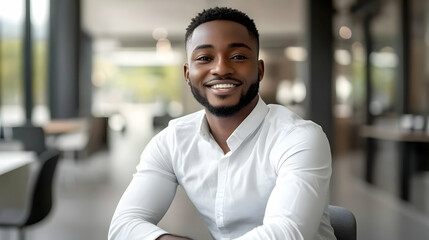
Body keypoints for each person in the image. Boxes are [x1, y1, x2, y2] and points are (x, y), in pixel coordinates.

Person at [109, 7, 336, 240]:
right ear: (187, 74)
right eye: (205, 58)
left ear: (259, 70)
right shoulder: (172, 141)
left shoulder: (298, 137)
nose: (221, 69)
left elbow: (287, 234)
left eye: (238, 57)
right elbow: (124, 226)